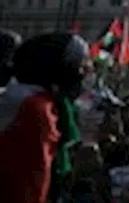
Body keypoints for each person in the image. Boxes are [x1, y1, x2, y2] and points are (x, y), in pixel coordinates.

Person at [0, 32, 90, 202]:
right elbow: (32, 184)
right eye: (81, 68)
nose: (83, 77)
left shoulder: (25, 99)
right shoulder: (37, 110)